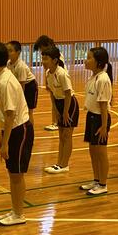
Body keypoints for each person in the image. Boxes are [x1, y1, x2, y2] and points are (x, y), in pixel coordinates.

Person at [0, 40, 33, 226]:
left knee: (17, 175)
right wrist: (2, 136)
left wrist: (5, 143)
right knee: (13, 173)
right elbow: (5, 115)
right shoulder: (2, 78)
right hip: (13, 130)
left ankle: (19, 215)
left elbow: (10, 115)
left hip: (20, 130)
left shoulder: (6, 82)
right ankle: (15, 210)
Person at [41, 45, 79, 174]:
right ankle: (59, 163)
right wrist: (56, 110)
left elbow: (68, 94)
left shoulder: (62, 73)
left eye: (46, 59)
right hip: (59, 103)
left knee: (67, 135)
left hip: (69, 104)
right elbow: (52, 93)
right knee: (61, 136)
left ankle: (64, 164)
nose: (43, 62)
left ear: (55, 60)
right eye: (42, 58)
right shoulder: (48, 73)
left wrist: (65, 112)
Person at [80, 47, 113, 196]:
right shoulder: (94, 77)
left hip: (100, 118)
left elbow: (104, 105)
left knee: (101, 152)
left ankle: (103, 184)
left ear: (98, 62)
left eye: (89, 58)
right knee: (93, 151)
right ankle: (96, 180)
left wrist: (104, 126)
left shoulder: (103, 79)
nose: (86, 61)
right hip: (92, 116)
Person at [33, 35, 63, 131]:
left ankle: (56, 122)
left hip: (58, 84)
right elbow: (48, 71)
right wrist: (47, 83)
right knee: (53, 102)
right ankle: (55, 122)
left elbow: (59, 71)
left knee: (56, 103)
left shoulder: (56, 56)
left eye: (42, 48)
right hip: (53, 83)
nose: (41, 51)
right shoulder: (49, 55)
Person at [7, 41, 38, 127]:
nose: (8, 53)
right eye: (7, 50)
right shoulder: (8, 64)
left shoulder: (21, 66)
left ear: (18, 52)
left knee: (28, 111)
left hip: (30, 86)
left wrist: (20, 99)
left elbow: (22, 85)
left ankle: (30, 130)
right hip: (20, 85)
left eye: (10, 51)